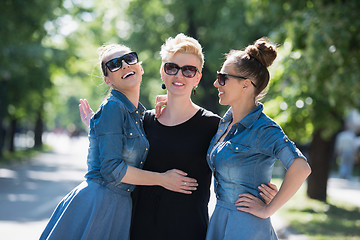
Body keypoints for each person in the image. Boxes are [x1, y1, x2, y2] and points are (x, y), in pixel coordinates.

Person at [79, 34, 278, 240]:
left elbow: (240, 164)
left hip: (190, 231)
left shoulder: (214, 126)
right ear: (162, 73)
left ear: (198, 77)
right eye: (171, 68)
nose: (179, 76)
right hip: (139, 230)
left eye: (189, 70)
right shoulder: (143, 121)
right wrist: (98, 126)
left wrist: (265, 192)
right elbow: (112, 163)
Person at [40, 44, 198, 240]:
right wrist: (162, 179)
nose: (124, 65)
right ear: (107, 80)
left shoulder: (138, 113)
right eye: (114, 64)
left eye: (129, 59)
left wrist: (175, 99)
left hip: (120, 204)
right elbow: (112, 169)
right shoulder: (113, 108)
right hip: (100, 203)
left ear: (140, 67)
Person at [205, 38, 311, 240]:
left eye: (223, 77)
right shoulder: (224, 123)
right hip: (220, 219)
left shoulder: (264, 129)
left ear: (245, 85)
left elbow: (301, 168)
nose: (216, 82)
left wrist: (268, 208)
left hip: (247, 227)